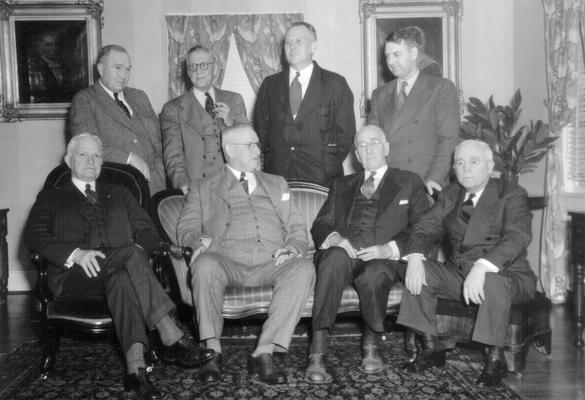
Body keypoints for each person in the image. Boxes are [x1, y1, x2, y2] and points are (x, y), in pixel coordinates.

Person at [24, 133, 214, 400]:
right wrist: (75, 254)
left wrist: (136, 254)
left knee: (122, 278)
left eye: (97, 156)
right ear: (68, 160)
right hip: (74, 279)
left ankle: (136, 372)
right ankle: (170, 335)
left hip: (119, 273)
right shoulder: (51, 197)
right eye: (83, 155)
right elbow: (34, 235)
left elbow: (148, 232)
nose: (91, 161)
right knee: (129, 255)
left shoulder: (120, 193)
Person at [177, 124, 316, 385]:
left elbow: (298, 227)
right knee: (204, 265)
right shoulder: (204, 187)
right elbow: (187, 226)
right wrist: (197, 242)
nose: (258, 150)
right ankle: (212, 351)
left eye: (257, 144)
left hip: (272, 262)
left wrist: (293, 248)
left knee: (304, 268)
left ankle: (262, 353)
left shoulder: (277, 183)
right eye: (250, 145)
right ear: (229, 150)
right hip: (226, 261)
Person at [397, 139, 536, 387]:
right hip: (459, 274)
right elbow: (424, 228)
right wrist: (416, 257)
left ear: (490, 165)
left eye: (474, 161)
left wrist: (482, 267)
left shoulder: (511, 193)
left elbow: (517, 237)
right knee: (418, 270)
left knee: (492, 282)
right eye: (459, 163)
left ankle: (495, 360)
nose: (466, 168)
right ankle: (432, 349)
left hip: (508, 275)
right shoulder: (451, 194)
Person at [305, 125, 429, 383]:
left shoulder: (409, 181)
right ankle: (317, 351)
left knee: (374, 274)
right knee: (334, 258)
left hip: (383, 258)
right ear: (357, 156)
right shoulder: (342, 184)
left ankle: (371, 345)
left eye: (374, 142)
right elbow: (321, 224)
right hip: (343, 255)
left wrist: (390, 248)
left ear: (386, 147)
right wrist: (336, 238)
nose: (368, 148)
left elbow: (422, 228)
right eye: (361, 145)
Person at [254, 21, 355, 186]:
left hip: (322, 177)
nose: (292, 46)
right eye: (288, 42)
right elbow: (261, 130)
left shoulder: (335, 83)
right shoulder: (269, 85)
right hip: (277, 177)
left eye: (298, 41)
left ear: (313, 47)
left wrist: (327, 164)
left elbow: (346, 133)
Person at [367, 26, 460, 195]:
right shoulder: (380, 94)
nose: (390, 62)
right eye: (387, 56)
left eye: (396, 54)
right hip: (389, 185)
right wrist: (372, 180)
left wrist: (433, 180)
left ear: (414, 53)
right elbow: (372, 142)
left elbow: (448, 141)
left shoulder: (440, 88)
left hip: (426, 184)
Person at [69, 45, 166, 194]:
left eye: (128, 69)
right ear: (101, 69)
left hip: (157, 185)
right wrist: (129, 158)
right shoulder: (85, 99)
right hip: (120, 188)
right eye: (118, 68)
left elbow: (159, 140)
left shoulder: (140, 97)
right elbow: (86, 149)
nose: (124, 75)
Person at [161, 45, 248, 194]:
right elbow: (173, 155)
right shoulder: (172, 109)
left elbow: (248, 144)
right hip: (196, 189)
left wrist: (230, 122)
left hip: (233, 187)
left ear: (214, 69)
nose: (198, 71)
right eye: (193, 66)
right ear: (188, 72)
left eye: (204, 65)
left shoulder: (234, 100)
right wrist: (184, 186)